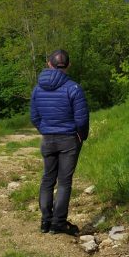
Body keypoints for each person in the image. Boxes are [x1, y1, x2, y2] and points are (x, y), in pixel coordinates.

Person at [30, 49, 89, 235]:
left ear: (49, 63)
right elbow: (82, 119)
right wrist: (81, 136)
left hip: (48, 139)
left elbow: (34, 117)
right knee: (64, 182)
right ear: (68, 65)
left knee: (47, 179)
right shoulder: (74, 88)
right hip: (69, 140)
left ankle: (45, 222)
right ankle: (59, 223)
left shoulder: (37, 89)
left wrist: (45, 130)